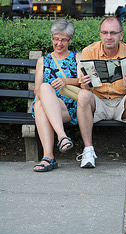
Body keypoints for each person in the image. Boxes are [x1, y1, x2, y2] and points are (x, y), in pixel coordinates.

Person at [77, 16, 126, 170]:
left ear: (121, 35)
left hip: (122, 103)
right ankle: (88, 151)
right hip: (99, 102)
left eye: (113, 33)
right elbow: (84, 87)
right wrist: (86, 84)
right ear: (100, 34)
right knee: (83, 95)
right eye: (105, 32)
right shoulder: (88, 51)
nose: (109, 37)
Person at [33, 19, 81, 172]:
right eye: (56, 39)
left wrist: (65, 81)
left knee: (41, 103)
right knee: (44, 90)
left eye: (64, 40)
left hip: (68, 107)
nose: (59, 43)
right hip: (46, 104)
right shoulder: (43, 60)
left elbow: (83, 83)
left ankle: (48, 157)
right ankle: (62, 138)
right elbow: (36, 90)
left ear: (70, 40)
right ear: (52, 38)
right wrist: (49, 93)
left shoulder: (77, 58)